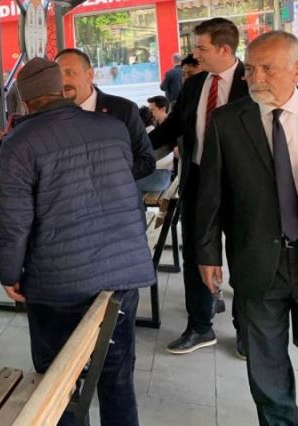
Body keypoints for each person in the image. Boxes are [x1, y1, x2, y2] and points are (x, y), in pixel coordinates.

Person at [0, 57, 155, 426]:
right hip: (122, 276)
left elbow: (13, 220)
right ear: (62, 90)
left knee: (59, 383)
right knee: (117, 378)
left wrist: (9, 273)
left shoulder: (20, 143)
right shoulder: (112, 128)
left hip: (59, 284)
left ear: (25, 101)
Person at [197, 30, 298, 425]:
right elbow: (211, 193)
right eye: (251, 69)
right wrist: (207, 253)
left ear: (295, 70)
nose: (256, 78)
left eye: (267, 69)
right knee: (266, 366)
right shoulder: (227, 121)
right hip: (256, 260)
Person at [149, 17, 248, 357]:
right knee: (195, 255)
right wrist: (136, 148)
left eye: (202, 48)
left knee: (243, 258)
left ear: (225, 49)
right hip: (197, 181)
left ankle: (246, 331)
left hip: (241, 187)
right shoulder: (194, 85)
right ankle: (200, 327)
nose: (194, 55)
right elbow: (172, 128)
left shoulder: (252, 83)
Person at [55, 48, 156, 181]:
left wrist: (107, 179)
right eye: (57, 75)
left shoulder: (123, 110)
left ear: (89, 75)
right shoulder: (51, 117)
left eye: (69, 73)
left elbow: (146, 161)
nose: (62, 81)